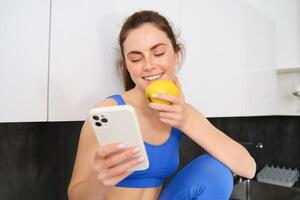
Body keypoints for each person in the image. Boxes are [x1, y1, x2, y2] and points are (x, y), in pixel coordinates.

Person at [68, 10, 256, 200]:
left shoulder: (181, 112)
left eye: (158, 53)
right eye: (136, 59)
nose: (148, 65)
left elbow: (248, 168)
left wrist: (186, 121)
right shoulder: (106, 113)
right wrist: (100, 179)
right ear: (126, 65)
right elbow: (75, 195)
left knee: (214, 171)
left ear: (176, 55)